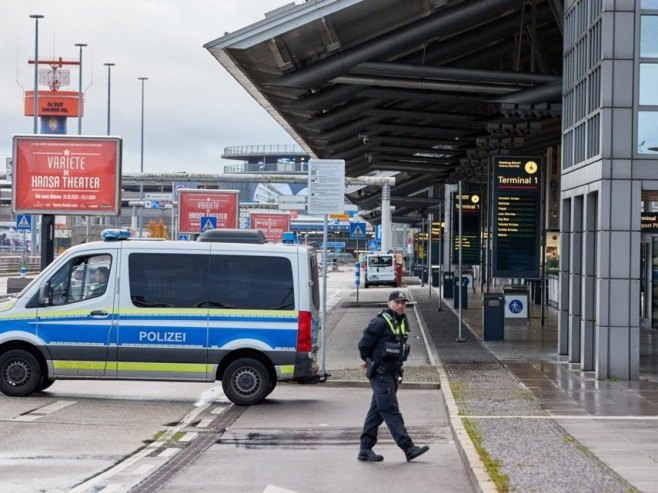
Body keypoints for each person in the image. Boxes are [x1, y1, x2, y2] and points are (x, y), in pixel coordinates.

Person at [357, 290, 430, 462]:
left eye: (403, 303)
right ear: (389, 303)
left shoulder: (402, 322)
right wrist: (369, 360)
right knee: (391, 411)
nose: (400, 305)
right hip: (380, 374)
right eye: (397, 302)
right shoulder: (379, 323)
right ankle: (408, 448)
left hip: (392, 373)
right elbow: (363, 347)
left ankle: (365, 449)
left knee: (377, 411)